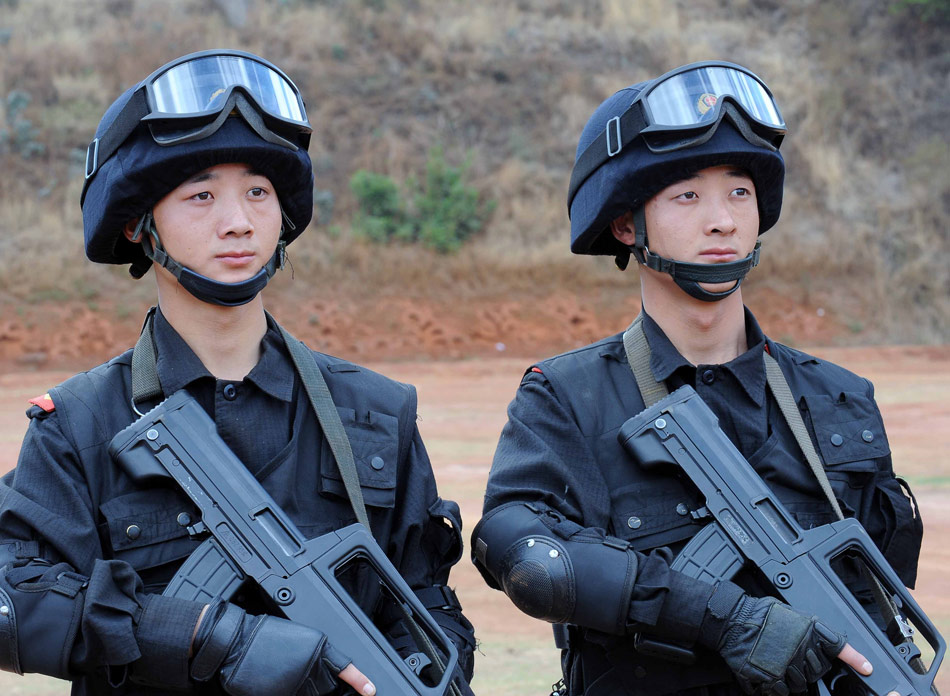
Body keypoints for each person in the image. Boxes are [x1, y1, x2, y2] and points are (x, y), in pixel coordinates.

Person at [0, 49, 475, 696]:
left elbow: (428, 607)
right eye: (201, 196)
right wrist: (209, 637)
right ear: (141, 225)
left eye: (258, 192)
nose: (238, 222)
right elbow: (12, 599)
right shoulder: (81, 425)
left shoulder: (376, 412)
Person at [471, 61, 923, 696]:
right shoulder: (568, 397)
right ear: (626, 224)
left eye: (739, 192)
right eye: (688, 196)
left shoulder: (838, 396)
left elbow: (880, 589)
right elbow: (519, 549)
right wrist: (726, 619)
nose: (723, 220)